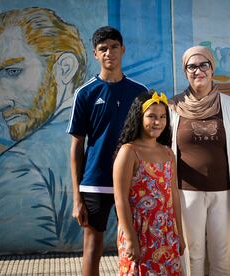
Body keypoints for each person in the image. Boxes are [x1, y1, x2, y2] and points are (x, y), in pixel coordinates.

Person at [0, 7, 87, 253]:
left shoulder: (19, 164)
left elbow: (18, 261)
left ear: (64, 69)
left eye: (12, 71)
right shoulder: (115, 137)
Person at [67, 26, 147, 276]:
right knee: (93, 247)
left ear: (122, 50)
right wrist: (77, 196)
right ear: (95, 54)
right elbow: (77, 145)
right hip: (95, 184)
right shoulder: (85, 93)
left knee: (139, 244)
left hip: (133, 182)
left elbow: (147, 139)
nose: (109, 52)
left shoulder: (139, 92)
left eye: (114, 47)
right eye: (103, 49)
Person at [169, 46, 230, 276]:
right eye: (192, 66)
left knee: (223, 255)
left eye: (203, 64)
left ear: (212, 68)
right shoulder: (173, 107)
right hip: (186, 194)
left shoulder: (229, 105)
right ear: (185, 71)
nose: (198, 71)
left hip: (225, 194)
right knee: (191, 253)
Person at [113, 91, 185, 275]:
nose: (158, 122)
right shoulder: (129, 152)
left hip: (166, 232)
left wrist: (180, 234)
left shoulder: (168, 152)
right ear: (139, 116)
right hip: (138, 232)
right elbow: (120, 198)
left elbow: (173, 195)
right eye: (151, 116)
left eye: (162, 117)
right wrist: (130, 239)